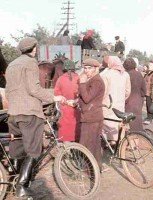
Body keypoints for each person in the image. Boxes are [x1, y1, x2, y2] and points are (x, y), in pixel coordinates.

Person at [5, 37, 65, 198]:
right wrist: (54, 98)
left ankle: (12, 181)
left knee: (17, 149)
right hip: (30, 113)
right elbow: (34, 89)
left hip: (13, 113)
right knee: (33, 149)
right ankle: (22, 186)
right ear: (33, 49)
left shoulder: (12, 64)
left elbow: (9, 89)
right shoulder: (31, 62)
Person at [78, 58, 105, 169]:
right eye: (85, 68)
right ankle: (96, 169)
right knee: (94, 145)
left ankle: (88, 170)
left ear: (96, 69)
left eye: (89, 68)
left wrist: (82, 83)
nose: (86, 71)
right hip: (92, 115)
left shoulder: (97, 81)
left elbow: (87, 98)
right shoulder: (94, 80)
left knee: (86, 145)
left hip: (92, 117)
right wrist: (76, 101)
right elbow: (89, 98)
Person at [101, 56, 131, 142]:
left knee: (108, 122)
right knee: (118, 122)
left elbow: (103, 91)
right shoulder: (125, 74)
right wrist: (122, 98)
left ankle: (109, 142)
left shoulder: (106, 74)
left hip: (108, 103)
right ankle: (119, 142)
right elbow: (127, 91)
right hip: (120, 103)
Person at [54, 60, 80, 142]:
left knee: (65, 132)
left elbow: (56, 94)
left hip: (64, 108)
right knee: (76, 129)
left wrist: (66, 102)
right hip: (77, 108)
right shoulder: (79, 77)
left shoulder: (60, 79)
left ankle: (66, 150)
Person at [123, 58, 146, 131]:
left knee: (128, 123)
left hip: (128, 101)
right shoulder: (139, 74)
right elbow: (144, 90)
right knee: (137, 122)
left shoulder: (125, 75)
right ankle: (139, 138)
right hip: (138, 101)